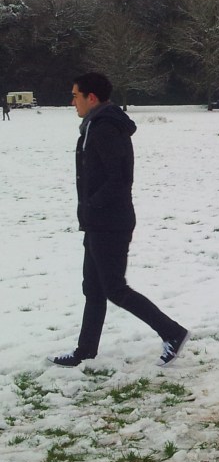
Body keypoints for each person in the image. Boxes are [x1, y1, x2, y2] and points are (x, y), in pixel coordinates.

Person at [48, 72, 189, 368]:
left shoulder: (105, 129)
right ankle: (85, 352)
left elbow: (119, 178)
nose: (72, 101)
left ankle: (172, 332)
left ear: (92, 98)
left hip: (110, 222)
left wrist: (92, 204)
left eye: (75, 95)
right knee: (93, 288)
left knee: (114, 288)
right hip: (98, 221)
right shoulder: (96, 126)